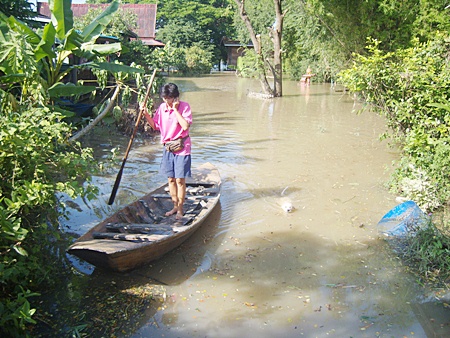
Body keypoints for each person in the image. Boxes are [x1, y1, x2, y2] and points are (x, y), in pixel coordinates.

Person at [143, 83, 192, 220]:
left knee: (180, 180)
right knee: (170, 179)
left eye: (168, 98)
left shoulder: (184, 106)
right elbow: (155, 126)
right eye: (164, 98)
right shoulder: (162, 108)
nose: (166, 101)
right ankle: (175, 206)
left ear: (175, 97)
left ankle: (180, 210)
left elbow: (185, 125)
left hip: (182, 148)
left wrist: (176, 110)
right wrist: (146, 114)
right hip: (168, 147)